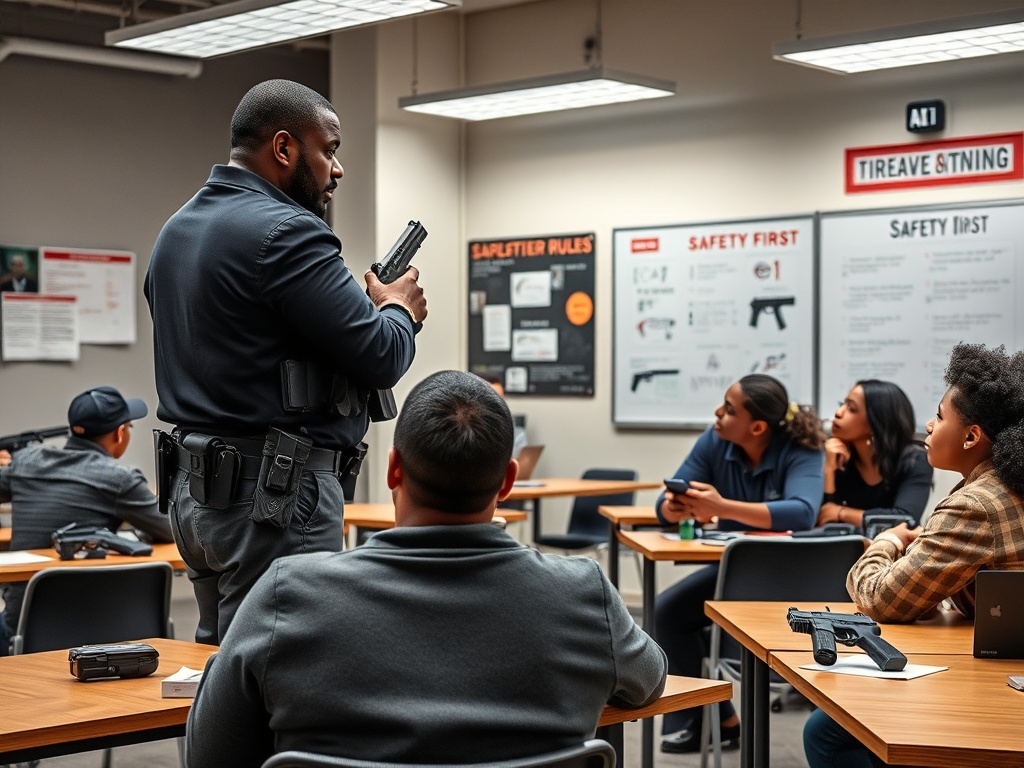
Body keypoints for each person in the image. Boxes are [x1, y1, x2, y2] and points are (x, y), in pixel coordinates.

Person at [185, 371, 667, 767]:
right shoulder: (583, 593)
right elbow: (649, 681)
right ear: (508, 482)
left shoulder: (285, 594)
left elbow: (209, 755)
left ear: (394, 469)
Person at [144, 79, 427, 645]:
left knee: (221, 677)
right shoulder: (288, 233)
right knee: (287, 677)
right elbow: (380, 354)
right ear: (283, 148)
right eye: (331, 149)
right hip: (273, 501)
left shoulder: (174, 233)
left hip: (198, 499)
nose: (337, 169)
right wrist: (399, 310)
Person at [803, 343, 1024, 768]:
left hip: (1004, 682)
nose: (928, 424)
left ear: (972, 436)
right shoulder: (1007, 488)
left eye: (940, 416)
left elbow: (882, 599)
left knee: (826, 732)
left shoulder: (975, 505)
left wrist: (886, 541)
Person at [654, 373, 825, 753]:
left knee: (690, 622)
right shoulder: (715, 439)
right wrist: (671, 506)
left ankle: (717, 718)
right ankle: (709, 718)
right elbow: (666, 498)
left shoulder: (802, 448)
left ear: (758, 426)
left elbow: (802, 513)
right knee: (668, 612)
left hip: (794, 577)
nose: (718, 413)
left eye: (729, 409)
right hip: (736, 573)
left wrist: (721, 508)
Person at [0, 386, 172, 654]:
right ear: (120, 433)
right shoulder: (119, 478)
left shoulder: (24, 463)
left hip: (22, 629)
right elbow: (173, 528)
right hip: (102, 632)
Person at [816, 380, 933, 530]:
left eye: (851, 408)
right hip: (847, 548)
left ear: (877, 422)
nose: (838, 413)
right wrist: (828, 472)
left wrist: (841, 513)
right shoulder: (837, 455)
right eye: (842, 405)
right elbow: (826, 518)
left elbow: (906, 520)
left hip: (895, 550)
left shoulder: (916, 460)